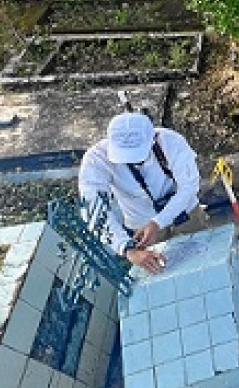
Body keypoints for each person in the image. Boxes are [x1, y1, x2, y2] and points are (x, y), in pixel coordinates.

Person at [78, 112, 202, 274]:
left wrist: (158, 222)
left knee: (204, 254)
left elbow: (189, 186)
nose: (131, 161)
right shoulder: (96, 159)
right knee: (160, 272)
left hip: (185, 211)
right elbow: (93, 209)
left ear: (153, 138)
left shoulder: (171, 141)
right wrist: (126, 248)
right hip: (141, 229)